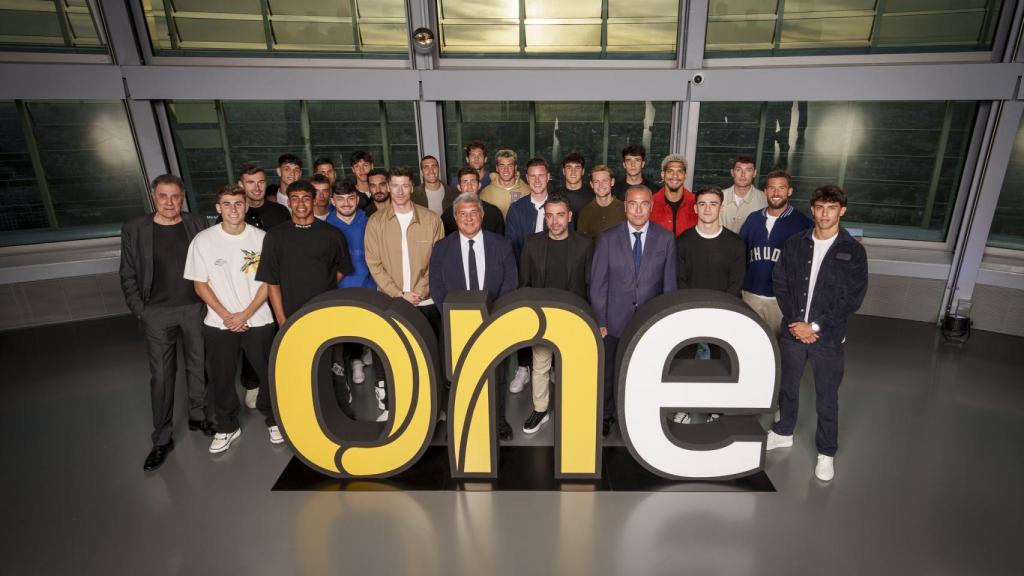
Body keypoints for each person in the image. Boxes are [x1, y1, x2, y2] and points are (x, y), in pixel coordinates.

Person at [766, 184, 868, 482]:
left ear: (842, 211)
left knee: (827, 396)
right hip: (793, 330)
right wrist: (798, 323)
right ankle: (784, 432)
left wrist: (816, 326)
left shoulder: (853, 252)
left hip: (828, 338)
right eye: (820, 208)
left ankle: (826, 452)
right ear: (812, 209)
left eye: (831, 208)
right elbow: (780, 283)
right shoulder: (795, 243)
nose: (825, 214)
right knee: (788, 386)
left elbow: (852, 299)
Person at [119, 174, 212, 472]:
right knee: (162, 376)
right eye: (163, 196)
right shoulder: (135, 229)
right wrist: (140, 311)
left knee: (198, 366)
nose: (170, 202)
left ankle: (198, 416)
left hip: (194, 307)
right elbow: (127, 274)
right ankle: (162, 438)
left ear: (183, 196)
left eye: (175, 196)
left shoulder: (196, 223)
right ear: (153, 197)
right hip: (156, 312)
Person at [184, 185, 276, 453]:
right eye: (227, 204)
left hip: (258, 319)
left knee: (268, 373)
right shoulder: (203, 240)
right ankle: (227, 426)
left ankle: (274, 419)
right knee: (222, 378)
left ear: (247, 206)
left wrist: (245, 314)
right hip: (219, 324)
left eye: (238, 203)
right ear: (218, 208)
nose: (233, 209)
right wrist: (227, 316)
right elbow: (200, 285)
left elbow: (269, 283)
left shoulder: (262, 238)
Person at [429, 193, 518, 440]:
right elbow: (436, 287)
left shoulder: (501, 244)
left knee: (496, 374)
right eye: (462, 214)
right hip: (456, 325)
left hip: (492, 323)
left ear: (482, 215)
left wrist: (494, 319)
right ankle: (459, 420)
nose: (468, 218)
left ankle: (498, 419)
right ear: (455, 217)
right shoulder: (441, 248)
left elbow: (511, 283)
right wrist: (453, 317)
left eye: (473, 212)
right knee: (457, 376)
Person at [590, 185, 677, 436]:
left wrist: (664, 324)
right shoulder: (607, 238)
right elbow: (598, 284)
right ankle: (606, 415)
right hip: (613, 322)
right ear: (625, 206)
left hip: (648, 322)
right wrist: (601, 321)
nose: (638, 209)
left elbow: (669, 285)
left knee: (644, 373)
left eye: (644, 204)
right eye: (633, 204)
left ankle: (635, 415)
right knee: (608, 373)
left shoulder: (666, 238)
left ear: (651, 206)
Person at [364, 166, 445, 421]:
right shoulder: (376, 222)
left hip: (426, 301)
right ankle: (392, 406)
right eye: (395, 185)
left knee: (430, 356)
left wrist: (419, 292)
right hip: (392, 301)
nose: (400, 191)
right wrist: (398, 293)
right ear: (388, 187)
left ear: (412, 187)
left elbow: (439, 261)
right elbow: (373, 262)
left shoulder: (432, 219)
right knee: (393, 356)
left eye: (405, 185)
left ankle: (436, 406)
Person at [518, 194, 593, 434]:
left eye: (560, 215)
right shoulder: (532, 243)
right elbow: (525, 283)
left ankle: (573, 409)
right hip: (543, 318)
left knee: (572, 367)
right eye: (549, 215)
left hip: (575, 317)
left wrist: (594, 319)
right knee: (540, 367)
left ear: (569, 216)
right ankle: (540, 410)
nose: (555, 221)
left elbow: (592, 284)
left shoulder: (586, 244)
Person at [673, 185, 746, 424]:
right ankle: (682, 406)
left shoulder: (735, 243)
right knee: (685, 362)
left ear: (721, 208)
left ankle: (715, 408)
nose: (707, 209)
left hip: (722, 317)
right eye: (702, 204)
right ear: (695, 208)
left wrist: (717, 315)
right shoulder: (683, 241)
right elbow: (680, 279)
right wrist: (694, 312)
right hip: (688, 314)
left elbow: (736, 283)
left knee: (719, 364)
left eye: (713, 204)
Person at [738, 170, 813, 338]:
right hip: (751, 295)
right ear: (765, 191)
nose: (776, 193)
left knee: (778, 347)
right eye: (772, 188)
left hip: (781, 299)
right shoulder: (753, 219)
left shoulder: (803, 224)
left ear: (790, 191)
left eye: (781, 188)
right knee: (749, 341)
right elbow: (740, 254)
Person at [504, 156, 551, 394]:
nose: (536, 180)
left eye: (541, 175)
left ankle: (550, 368)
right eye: (532, 176)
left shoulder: (559, 206)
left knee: (552, 323)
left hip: (554, 278)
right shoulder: (517, 209)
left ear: (549, 177)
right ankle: (523, 368)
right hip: (526, 277)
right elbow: (511, 246)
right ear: (526, 178)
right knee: (526, 324)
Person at [326, 180, 377, 388]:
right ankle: (347, 372)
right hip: (340, 290)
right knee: (343, 336)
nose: (346, 203)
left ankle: (362, 363)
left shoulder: (369, 222)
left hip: (368, 287)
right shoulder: (326, 226)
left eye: (350, 198)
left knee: (368, 332)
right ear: (332, 201)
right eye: (340, 199)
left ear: (357, 199)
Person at [441, 167, 505, 236]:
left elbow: (500, 242)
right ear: (459, 187)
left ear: (479, 185)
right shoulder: (448, 215)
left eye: (473, 181)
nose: (469, 186)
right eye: (465, 182)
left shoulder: (494, 213)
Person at [650, 154, 696, 237]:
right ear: (663, 175)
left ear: (685, 175)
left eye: (680, 171)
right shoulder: (650, 203)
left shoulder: (696, 204)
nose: (675, 176)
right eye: (670, 171)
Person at [236, 162, 290, 231]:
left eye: (261, 182)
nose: (257, 188)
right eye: (251, 182)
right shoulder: (233, 215)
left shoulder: (281, 211)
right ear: (241, 185)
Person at [575, 164, 625, 238]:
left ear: (612, 182)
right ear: (591, 185)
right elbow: (581, 243)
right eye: (596, 182)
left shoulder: (624, 209)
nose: (601, 185)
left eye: (604, 181)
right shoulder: (585, 212)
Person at [721, 156, 767, 233]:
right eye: (738, 170)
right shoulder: (718, 197)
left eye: (748, 170)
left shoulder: (765, 200)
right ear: (732, 172)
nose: (743, 174)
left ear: (754, 173)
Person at [480, 149, 531, 218]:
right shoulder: (486, 193)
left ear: (515, 168)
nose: (506, 170)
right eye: (502, 166)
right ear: (497, 168)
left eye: (509, 166)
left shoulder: (527, 191)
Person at [559, 152, 593, 216]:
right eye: (569, 168)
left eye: (577, 168)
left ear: (583, 171)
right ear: (563, 171)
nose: (573, 172)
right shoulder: (555, 196)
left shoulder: (593, 196)